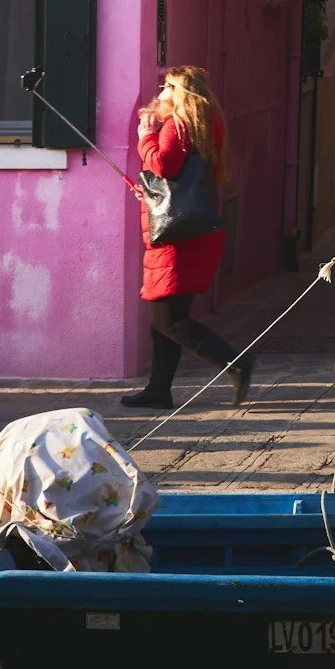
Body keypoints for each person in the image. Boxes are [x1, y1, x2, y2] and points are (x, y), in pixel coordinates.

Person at [122, 67, 255, 411]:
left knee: (167, 319)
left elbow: (165, 165)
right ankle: (159, 390)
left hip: (177, 238)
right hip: (186, 231)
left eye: (167, 86)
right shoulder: (201, 124)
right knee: (165, 316)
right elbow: (179, 179)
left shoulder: (178, 125)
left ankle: (235, 362)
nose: (160, 90)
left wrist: (145, 137)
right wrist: (151, 192)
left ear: (181, 93)